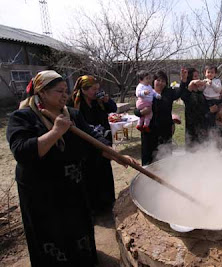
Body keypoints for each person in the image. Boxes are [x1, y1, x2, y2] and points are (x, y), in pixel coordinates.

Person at [7, 70, 135, 266]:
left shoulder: (72, 114)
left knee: (78, 228)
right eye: (59, 91)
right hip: (41, 192)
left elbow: (94, 140)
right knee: (51, 234)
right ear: (42, 92)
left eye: (65, 91)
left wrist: (116, 156)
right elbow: (22, 151)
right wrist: (57, 131)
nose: (65, 95)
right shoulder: (22, 117)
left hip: (72, 185)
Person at [68, 75, 117, 214]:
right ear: (84, 90)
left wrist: (107, 101)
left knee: (105, 172)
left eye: (98, 88)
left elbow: (113, 109)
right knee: (90, 174)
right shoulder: (74, 103)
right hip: (86, 145)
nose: (96, 91)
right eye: (93, 89)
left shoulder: (99, 101)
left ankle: (108, 203)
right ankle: (94, 208)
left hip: (103, 140)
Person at [134, 71, 182, 165]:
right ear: (153, 81)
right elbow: (137, 109)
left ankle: (166, 177)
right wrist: (141, 112)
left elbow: (180, 91)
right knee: (149, 158)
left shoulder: (169, 93)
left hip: (165, 130)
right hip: (149, 131)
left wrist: (183, 80)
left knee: (165, 158)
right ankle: (147, 178)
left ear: (166, 82)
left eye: (163, 81)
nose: (160, 83)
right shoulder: (147, 91)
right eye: (158, 80)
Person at [179, 68, 210, 149]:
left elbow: (205, 107)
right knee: (192, 151)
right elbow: (183, 95)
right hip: (191, 126)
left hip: (203, 126)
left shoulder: (201, 92)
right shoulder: (187, 92)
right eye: (195, 76)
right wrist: (189, 85)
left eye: (198, 76)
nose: (198, 78)